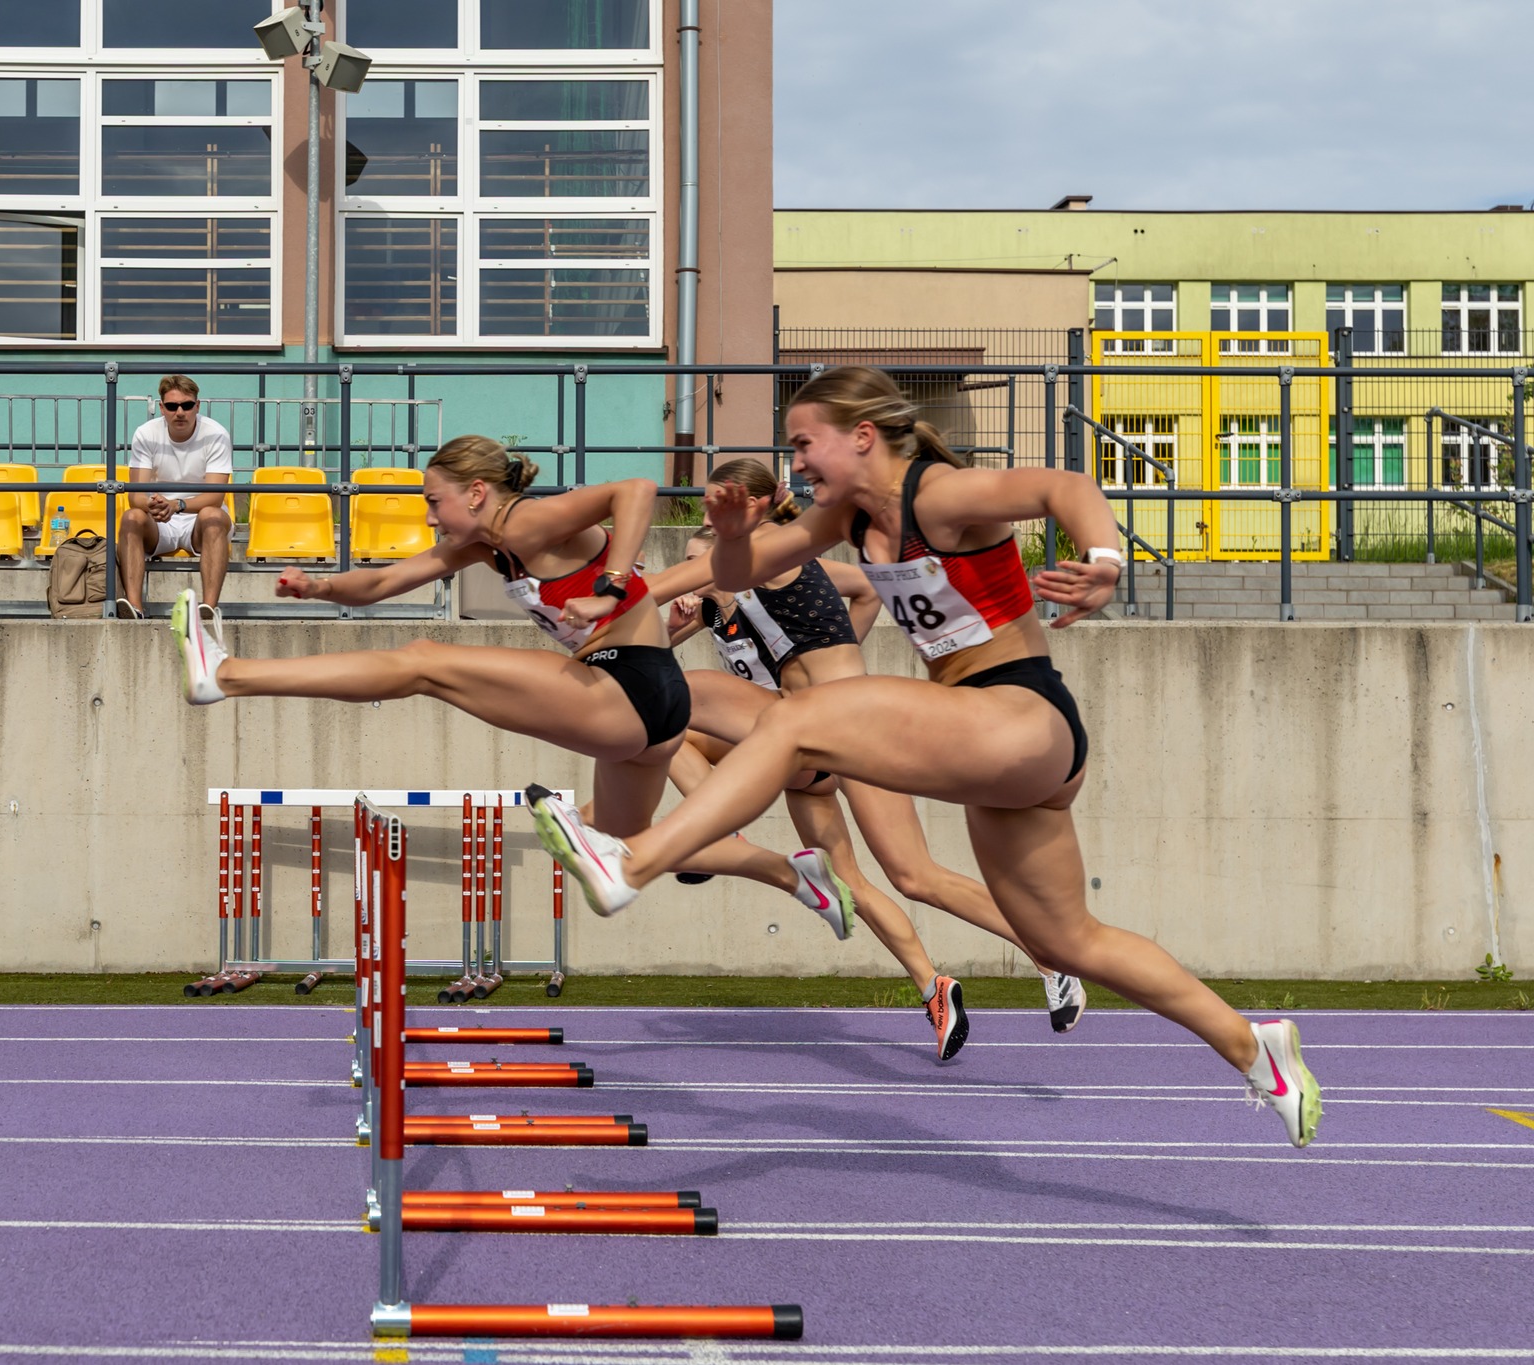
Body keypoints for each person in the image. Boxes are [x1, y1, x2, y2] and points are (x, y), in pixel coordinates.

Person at [530, 367, 1320, 1147]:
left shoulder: (935, 496)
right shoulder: (849, 520)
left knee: (796, 722)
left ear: (863, 435)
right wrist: (735, 536)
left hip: (1020, 710)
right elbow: (737, 572)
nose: (796, 462)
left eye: (806, 443)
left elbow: (1068, 486)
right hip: (1005, 751)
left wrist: (1106, 563)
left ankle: (630, 863)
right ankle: (1256, 1050)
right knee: (1068, 939)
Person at [168, 435, 860, 926]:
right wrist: (317, 586)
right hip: (643, 710)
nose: (430, 516)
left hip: (632, 681)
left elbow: (634, 489)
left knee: (423, 662)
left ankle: (226, 674)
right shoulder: (481, 543)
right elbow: (382, 580)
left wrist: (614, 586)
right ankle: (792, 874)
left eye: (435, 501)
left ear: (477, 490)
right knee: (621, 845)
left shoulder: (529, 519)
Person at [651, 464, 1088, 1056]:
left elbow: (860, 585)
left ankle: (1052, 958)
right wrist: (673, 626)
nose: (689, 578)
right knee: (844, 880)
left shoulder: (775, 564)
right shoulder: (713, 612)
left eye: (695, 561)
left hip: (850, 731)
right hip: (797, 747)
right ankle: (932, 984)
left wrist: (841, 650)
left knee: (916, 876)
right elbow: (659, 644)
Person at [119, 375, 233, 617]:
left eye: (187, 405)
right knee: (131, 517)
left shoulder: (215, 434)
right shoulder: (146, 433)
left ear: (197, 406)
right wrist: (155, 505)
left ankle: (208, 608)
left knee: (213, 516)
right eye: (172, 406)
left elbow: (215, 497)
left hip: (198, 519)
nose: (179, 412)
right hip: (160, 518)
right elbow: (136, 496)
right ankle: (134, 608)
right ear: (162, 408)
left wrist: (177, 505)